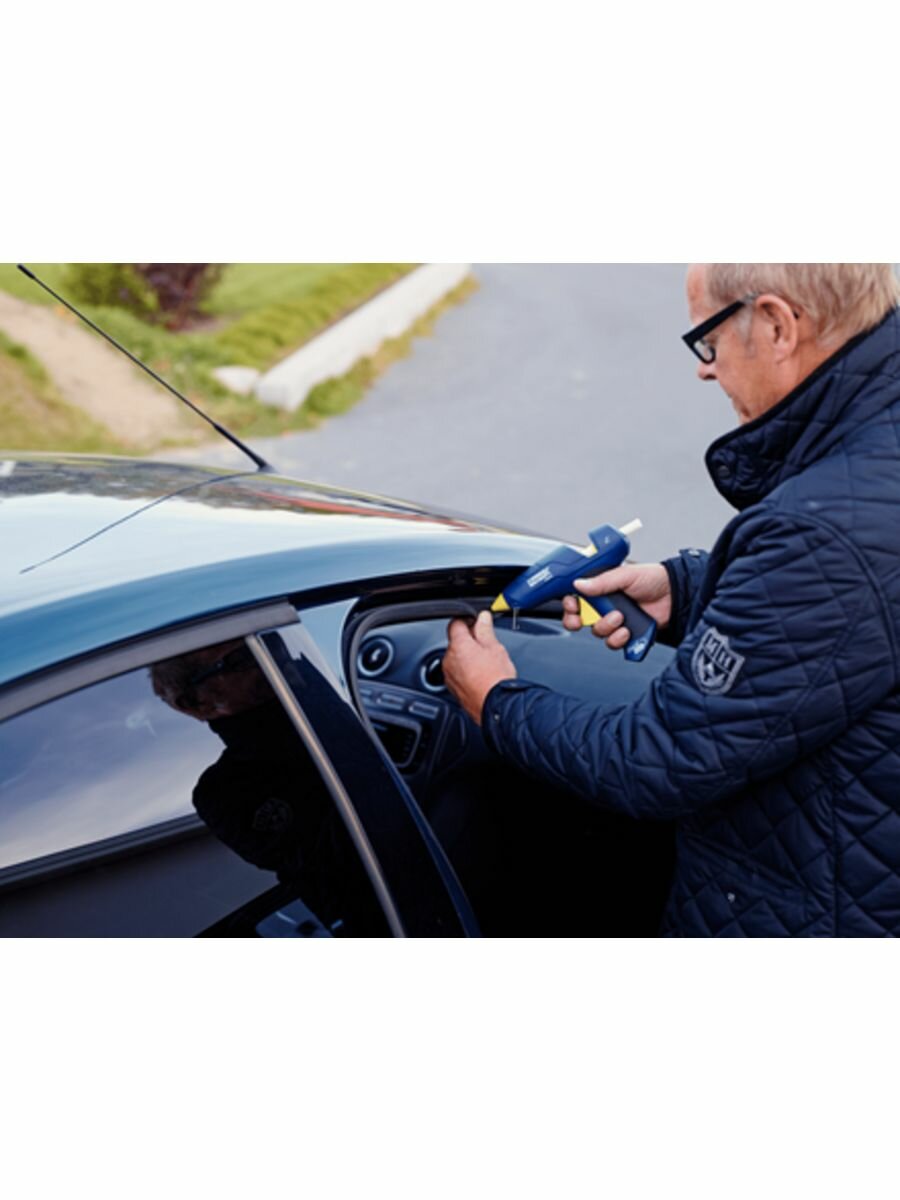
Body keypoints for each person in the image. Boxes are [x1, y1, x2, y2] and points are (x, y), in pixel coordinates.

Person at [443, 263, 900, 937]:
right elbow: (859, 602)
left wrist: (496, 702)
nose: (704, 370)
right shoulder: (872, 459)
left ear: (777, 325)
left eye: (708, 341)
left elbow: (660, 761)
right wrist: (684, 591)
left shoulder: (821, 531)